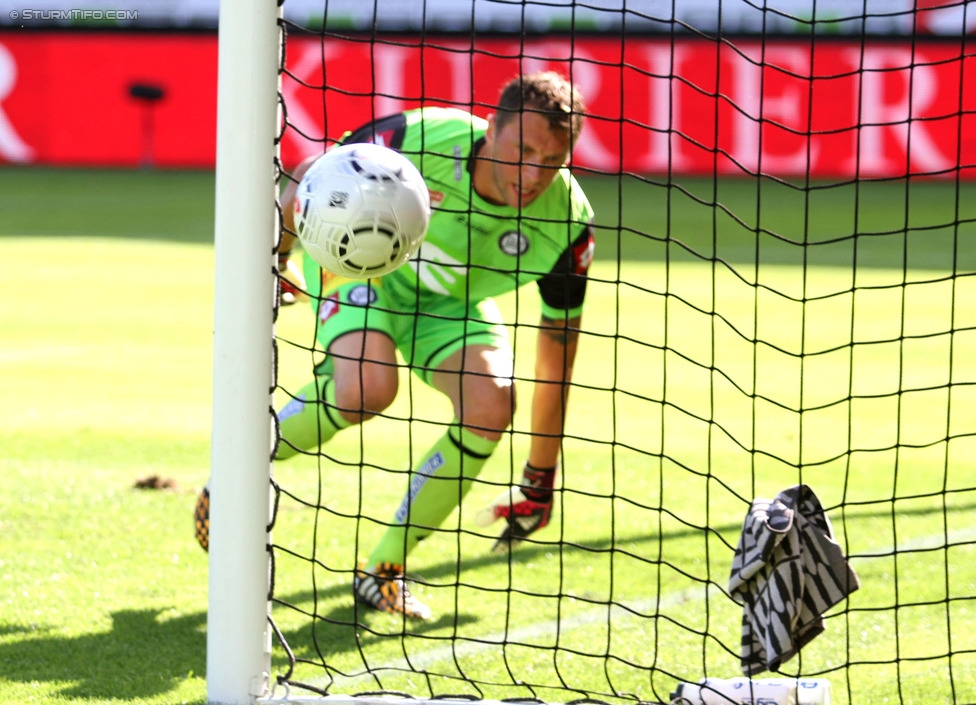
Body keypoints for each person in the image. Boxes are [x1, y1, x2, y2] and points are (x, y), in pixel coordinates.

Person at [250, 71, 593, 620]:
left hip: (449, 304)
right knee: (367, 388)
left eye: (551, 161)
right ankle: (238, 470)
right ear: (491, 129)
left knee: (491, 404)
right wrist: (280, 258)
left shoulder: (569, 224)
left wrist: (539, 476)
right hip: (364, 271)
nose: (532, 175)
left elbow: (557, 356)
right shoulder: (420, 139)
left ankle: (384, 570)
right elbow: (318, 173)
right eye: (521, 150)